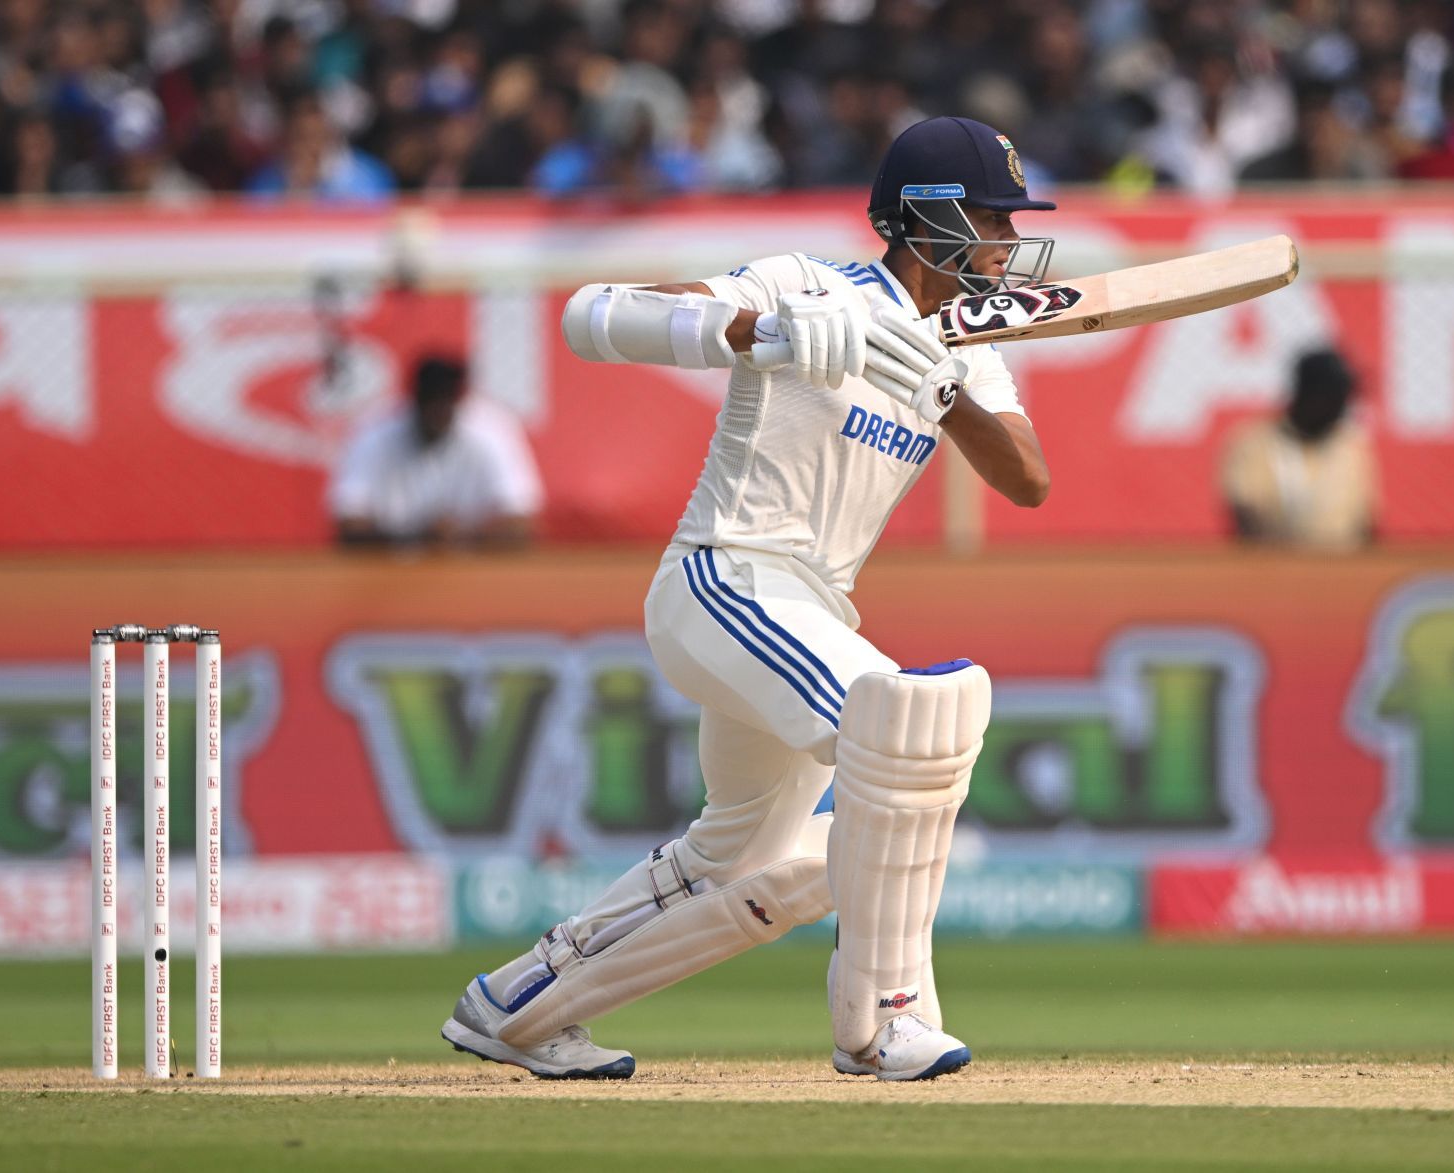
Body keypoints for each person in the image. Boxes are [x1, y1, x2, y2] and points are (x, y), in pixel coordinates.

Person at [438, 116, 1053, 1083]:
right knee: (907, 720)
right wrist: (758, 333)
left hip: (810, 610)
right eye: (994, 217)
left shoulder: (967, 350)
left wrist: (948, 394)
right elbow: (594, 313)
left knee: (752, 863)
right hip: (723, 577)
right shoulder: (806, 284)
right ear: (927, 217)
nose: (1010, 242)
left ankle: (517, 1006)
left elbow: (1027, 479)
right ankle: (885, 1021)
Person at [328, 354, 542, 549]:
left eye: (445, 401)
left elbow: (521, 522)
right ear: (414, 399)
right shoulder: (374, 431)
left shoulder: (492, 432)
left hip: (474, 575)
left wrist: (461, 536)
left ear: (459, 401)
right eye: (431, 400)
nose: (437, 411)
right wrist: (417, 537)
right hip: (394, 574)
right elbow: (348, 523)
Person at [1220, 347, 1376, 551]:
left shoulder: (1351, 446)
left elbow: (1366, 522)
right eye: (1333, 398)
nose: (1340, 408)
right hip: (1271, 566)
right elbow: (1245, 512)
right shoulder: (1253, 444)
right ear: (1307, 394)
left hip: (1339, 568)